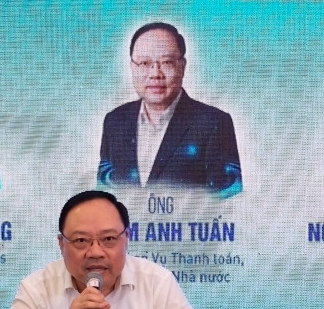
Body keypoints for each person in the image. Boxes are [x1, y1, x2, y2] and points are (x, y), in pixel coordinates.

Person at [0, 190, 198, 309]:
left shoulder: (156, 282)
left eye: (108, 239)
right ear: (61, 244)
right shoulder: (37, 288)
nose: (95, 252)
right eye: (81, 240)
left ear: (126, 239)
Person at [98, 22, 242, 197]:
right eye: (144, 63)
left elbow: (228, 198)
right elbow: (104, 196)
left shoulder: (214, 124)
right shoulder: (114, 121)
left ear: (182, 66)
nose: (155, 74)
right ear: (132, 67)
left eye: (166, 62)